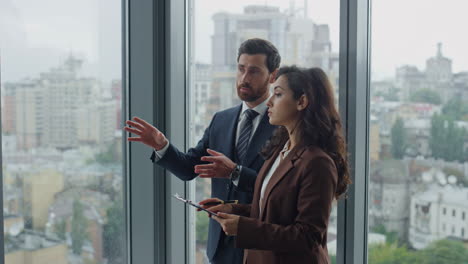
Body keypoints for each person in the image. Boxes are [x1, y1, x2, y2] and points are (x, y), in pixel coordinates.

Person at [123, 38, 281, 264]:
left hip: (261, 246)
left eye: (254, 71)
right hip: (220, 246)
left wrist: (235, 172)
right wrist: (162, 145)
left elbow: (280, 190)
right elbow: (189, 168)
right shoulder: (222, 119)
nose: (244, 78)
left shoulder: (283, 125)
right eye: (241, 69)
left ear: (272, 76)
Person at [200, 66, 351, 264]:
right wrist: (231, 209)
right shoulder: (281, 149)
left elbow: (309, 236)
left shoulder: (317, 162)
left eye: (278, 94)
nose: (269, 101)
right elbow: (271, 209)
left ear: (302, 101)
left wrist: (244, 228)